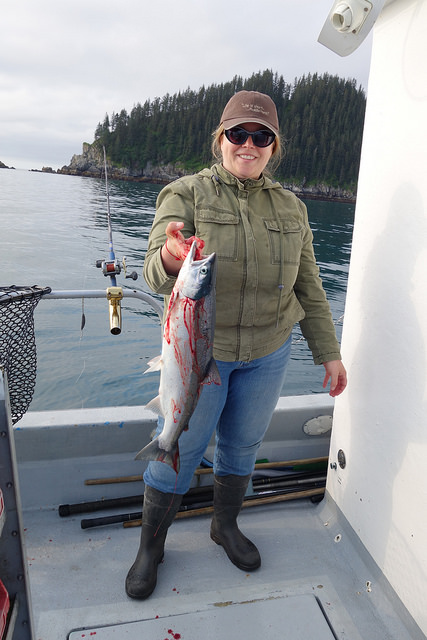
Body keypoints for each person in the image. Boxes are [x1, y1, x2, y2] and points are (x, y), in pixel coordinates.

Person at [125, 90, 347, 599]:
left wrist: (327, 351)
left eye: (261, 136)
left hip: (268, 353)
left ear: (274, 146)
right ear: (220, 138)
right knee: (175, 441)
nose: (248, 144)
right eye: (237, 134)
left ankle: (224, 526)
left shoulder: (292, 206)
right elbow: (155, 265)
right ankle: (151, 547)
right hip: (202, 357)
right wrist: (174, 258)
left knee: (243, 446)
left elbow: (309, 285)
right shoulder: (186, 192)